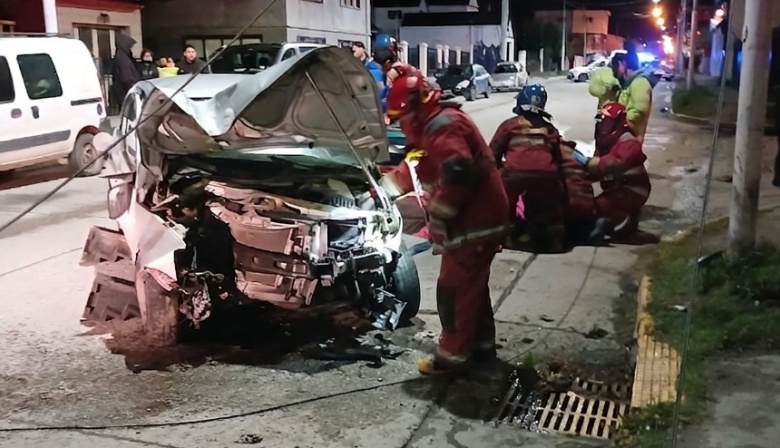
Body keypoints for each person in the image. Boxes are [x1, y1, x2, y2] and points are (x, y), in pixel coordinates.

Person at [380, 72, 508, 376]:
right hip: (480, 219)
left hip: (475, 222)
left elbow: (457, 173)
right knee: (472, 287)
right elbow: (410, 170)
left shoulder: (443, 126)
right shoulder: (432, 128)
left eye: (402, 117)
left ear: (416, 109)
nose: (401, 125)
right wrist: (376, 192)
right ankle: (480, 348)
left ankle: (452, 358)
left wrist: (439, 216)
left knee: (453, 289)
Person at [488, 84, 567, 252]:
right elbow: (558, 158)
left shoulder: (509, 126)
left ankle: (504, 237)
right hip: (546, 177)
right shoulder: (550, 129)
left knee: (503, 203)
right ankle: (554, 241)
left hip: (514, 176)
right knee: (549, 205)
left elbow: (492, 153)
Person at [571, 102, 651, 238]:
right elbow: (598, 171)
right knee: (587, 207)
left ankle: (614, 224)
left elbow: (615, 164)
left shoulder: (628, 142)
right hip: (618, 189)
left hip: (631, 191)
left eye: (604, 120)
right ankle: (620, 223)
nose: (601, 124)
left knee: (592, 211)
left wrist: (589, 163)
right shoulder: (608, 142)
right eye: (599, 120)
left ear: (615, 122)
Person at [588, 50, 658, 143]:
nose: (614, 70)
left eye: (616, 66)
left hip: (630, 141)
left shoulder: (640, 83)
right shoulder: (629, 83)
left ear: (622, 64)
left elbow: (638, 111)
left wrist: (616, 118)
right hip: (623, 139)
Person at [111, 33, 140, 107]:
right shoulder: (122, 59)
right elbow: (126, 76)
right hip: (126, 91)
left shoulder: (122, 57)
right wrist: (134, 85)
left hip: (124, 90)